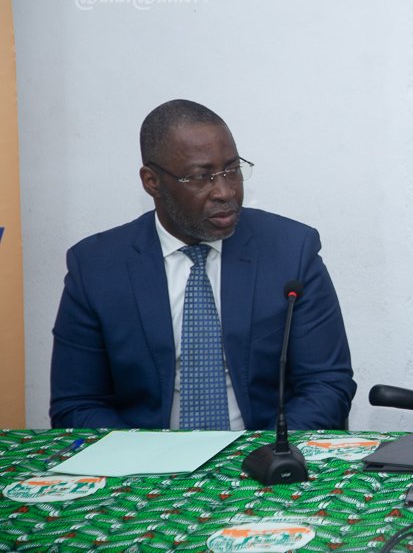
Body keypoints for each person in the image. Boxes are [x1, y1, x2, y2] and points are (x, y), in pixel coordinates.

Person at [49, 99, 356, 430]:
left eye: (232, 170)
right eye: (200, 177)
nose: (225, 191)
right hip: (145, 453)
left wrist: (263, 451)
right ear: (152, 181)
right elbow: (77, 404)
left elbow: (327, 384)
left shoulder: (290, 251)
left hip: (262, 448)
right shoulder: (97, 268)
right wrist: (145, 453)